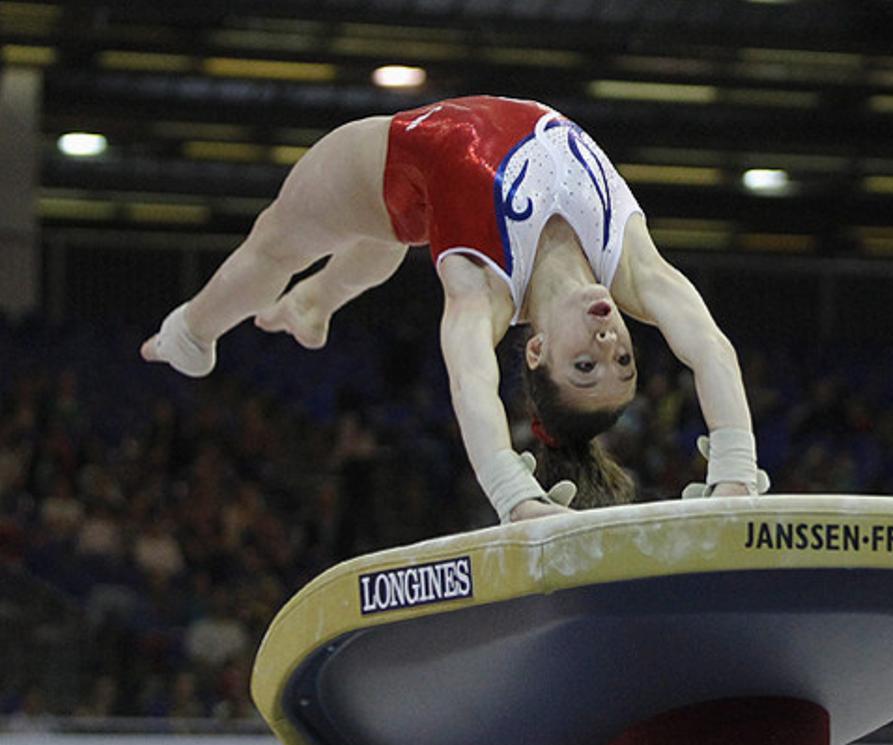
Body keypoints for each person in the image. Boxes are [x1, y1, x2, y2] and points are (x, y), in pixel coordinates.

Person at [141, 95, 767, 523]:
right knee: (385, 241)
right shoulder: (630, 265)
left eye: (585, 367)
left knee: (276, 245)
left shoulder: (484, 286)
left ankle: (190, 333)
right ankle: (314, 303)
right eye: (624, 361)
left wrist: (514, 494)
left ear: (537, 350)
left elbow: (471, 385)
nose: (609, 346)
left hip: (387, 162)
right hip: (427, 186)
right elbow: (710, 346)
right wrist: (736, 471)